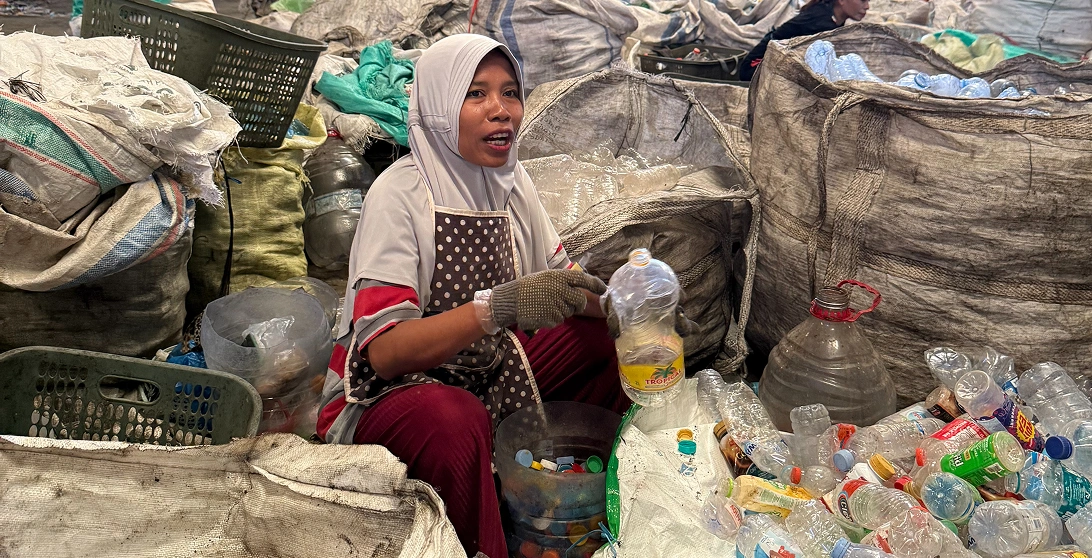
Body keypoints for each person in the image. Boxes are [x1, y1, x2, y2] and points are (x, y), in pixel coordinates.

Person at [316, 34, 693, 558]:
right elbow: (385, 351)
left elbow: (566, 282)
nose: (502, 111)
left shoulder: (512, 186)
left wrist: (630, 309)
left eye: (510, 93)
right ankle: (483, 542)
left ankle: (566, 503)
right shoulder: (400, 194)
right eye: (477, 94)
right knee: (454, 418)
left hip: (484, 370)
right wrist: (498, 307)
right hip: (396, 393)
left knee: (604, 341)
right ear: (441, 107)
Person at [738, 0, 870, 81]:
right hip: (755, 68)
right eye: (863, 0)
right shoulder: (821, 21)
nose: (867, 6)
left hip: (779, 65)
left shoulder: (833, 18)